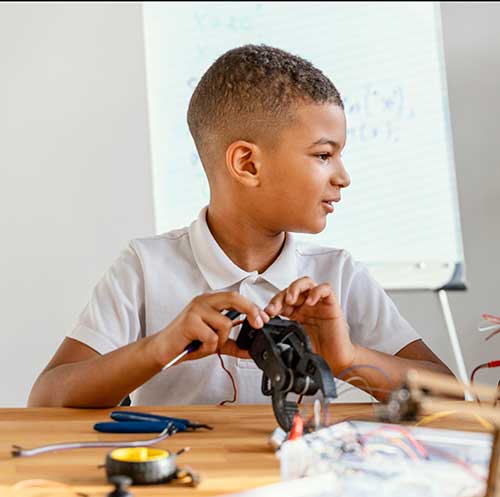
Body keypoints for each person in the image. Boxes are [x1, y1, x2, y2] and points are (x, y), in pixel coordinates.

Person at [28, 45, 453, 408]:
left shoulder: (337, 275)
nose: (343, 176)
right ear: (248, 164)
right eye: (324, 155)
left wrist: (345, 358)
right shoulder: (146, 267)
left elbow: (452, 398)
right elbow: (45, 398)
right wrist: (159, 347)